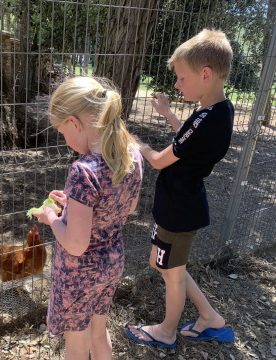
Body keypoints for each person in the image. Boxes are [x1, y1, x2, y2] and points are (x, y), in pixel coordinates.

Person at [127, 28, 236, 349]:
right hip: (181, 205)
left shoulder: (207, 118)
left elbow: (161, 161)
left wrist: (137, 143)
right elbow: (188, 140)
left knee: (171, 273)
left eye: (181, 78)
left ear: (206, 74)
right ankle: (209, 318)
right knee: (164, 264)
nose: (176, 84)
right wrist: (169, 114)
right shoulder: (216, 110)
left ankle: (166, 331)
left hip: (179, 210)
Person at [33, 76, 143, 360]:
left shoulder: (84, 170)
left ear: (74, 123)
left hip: (79, 274)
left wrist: (52, 218)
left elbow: (76, 244)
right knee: (99, 333)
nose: (66, 140)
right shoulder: (130, 154)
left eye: (62, 132)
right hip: (111, 264)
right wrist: (73, 205)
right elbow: (127, 208)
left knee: (77, 346)